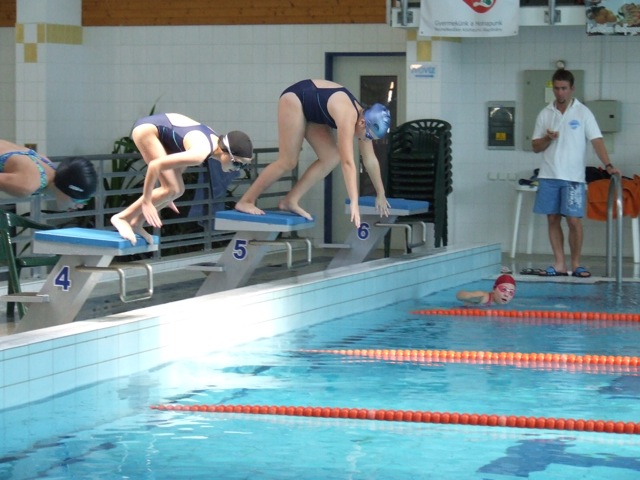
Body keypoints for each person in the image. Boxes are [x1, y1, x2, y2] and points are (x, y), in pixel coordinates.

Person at [234, 79, 392, 228]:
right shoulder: (348, 116)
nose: (367, 140)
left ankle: (290, 200)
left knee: (331, 157)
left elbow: (370, 160)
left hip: (314, 109)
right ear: (363, 123)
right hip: (296, 98)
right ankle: (246, 201)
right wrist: (354, 202)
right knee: (288, 161)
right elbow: (348, 163)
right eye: (368, 136)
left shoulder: (363, 120)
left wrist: (381, 193)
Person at [111, 113, 253, 245]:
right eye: (237, 163)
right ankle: (122, 218)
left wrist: (167, 194)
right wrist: (147, 201)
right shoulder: (201, 153)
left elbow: (181, 157)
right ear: (226, 153)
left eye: (243, 166)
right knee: (172, 189)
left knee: (176, 190)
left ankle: (136, 223)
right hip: (147, 130)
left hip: (164, 132)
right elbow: (155, 166)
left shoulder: (214, 146)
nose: (238, 169)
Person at [531, 68, 620, 278]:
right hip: (549, 175)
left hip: (573, 178)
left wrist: (608, 165)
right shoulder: (545, 113)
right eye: (556, 88)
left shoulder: (583, 113)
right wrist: (548, 138)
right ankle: (559, 264)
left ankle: (576, 264)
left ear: (572, 89)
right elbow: (535, 146)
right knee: (552, 218)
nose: (560, 93)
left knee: (573, 220)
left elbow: (596, 140)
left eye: (564, 88)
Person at [0, 139, 97, 210]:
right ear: (68, 190)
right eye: (79, 200)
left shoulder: (47, 166)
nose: (80, 206)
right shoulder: (27, 185)